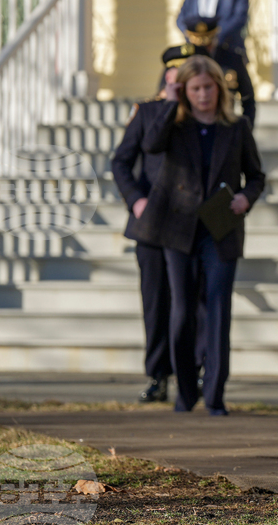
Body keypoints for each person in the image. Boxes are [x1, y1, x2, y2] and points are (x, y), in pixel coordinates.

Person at [138, 55, 265, 415]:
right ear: (185, 91)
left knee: (218, 309)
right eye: (195, 88)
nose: (203, 95)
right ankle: (184, 392)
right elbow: (150, 145)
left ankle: (214, 395)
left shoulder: (236, 127)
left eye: (208, 87)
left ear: (219, 90)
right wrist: (169, 98)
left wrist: (245, 198)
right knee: (181, 312)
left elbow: (256, 176)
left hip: (221, 229)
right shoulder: (174, 125)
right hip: (178, 229)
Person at [112, 44, 210, 403]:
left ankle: (197, 370)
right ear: (167, 76)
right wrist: (136, 200)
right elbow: (122, 162)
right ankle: (158, 374)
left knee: (195, 301)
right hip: (153, 222)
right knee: (156, 300)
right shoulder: (149, 111)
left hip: (192, 223)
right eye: (176, 73)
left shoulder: (203, 112)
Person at [176, 0, 256, 126]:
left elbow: (240, 16)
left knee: (231, 93)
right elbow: (182, 16)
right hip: (196, 49)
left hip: (225, 47)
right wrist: (193, 36)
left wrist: (213, 37)